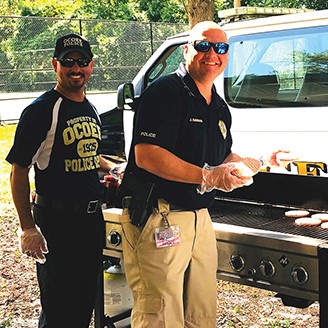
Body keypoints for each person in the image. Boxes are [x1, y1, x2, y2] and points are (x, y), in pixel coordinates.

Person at [119, 21, 295, 328]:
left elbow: (223, 159)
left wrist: (263, 160)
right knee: (160, 314)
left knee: (200, 313)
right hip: (160, 215)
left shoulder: (219, 107)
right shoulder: (165, 93)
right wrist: (208, 176)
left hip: (200, 217)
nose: (212, 53)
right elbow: (146, 156)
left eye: (220, 48)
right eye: (203, 45)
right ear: (187, 50)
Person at [6, 33, 115, 328]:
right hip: (57, 222)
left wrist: (112, 168)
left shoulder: (90, 108)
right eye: (68, 61)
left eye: (82, 61)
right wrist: (27, 228)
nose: (75, 68)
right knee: (58, 309)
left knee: (84, 304)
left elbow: (89, 153)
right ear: (55, 64)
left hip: (91, 222)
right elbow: (19, 170)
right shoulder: (42, 111)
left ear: (91, 66)